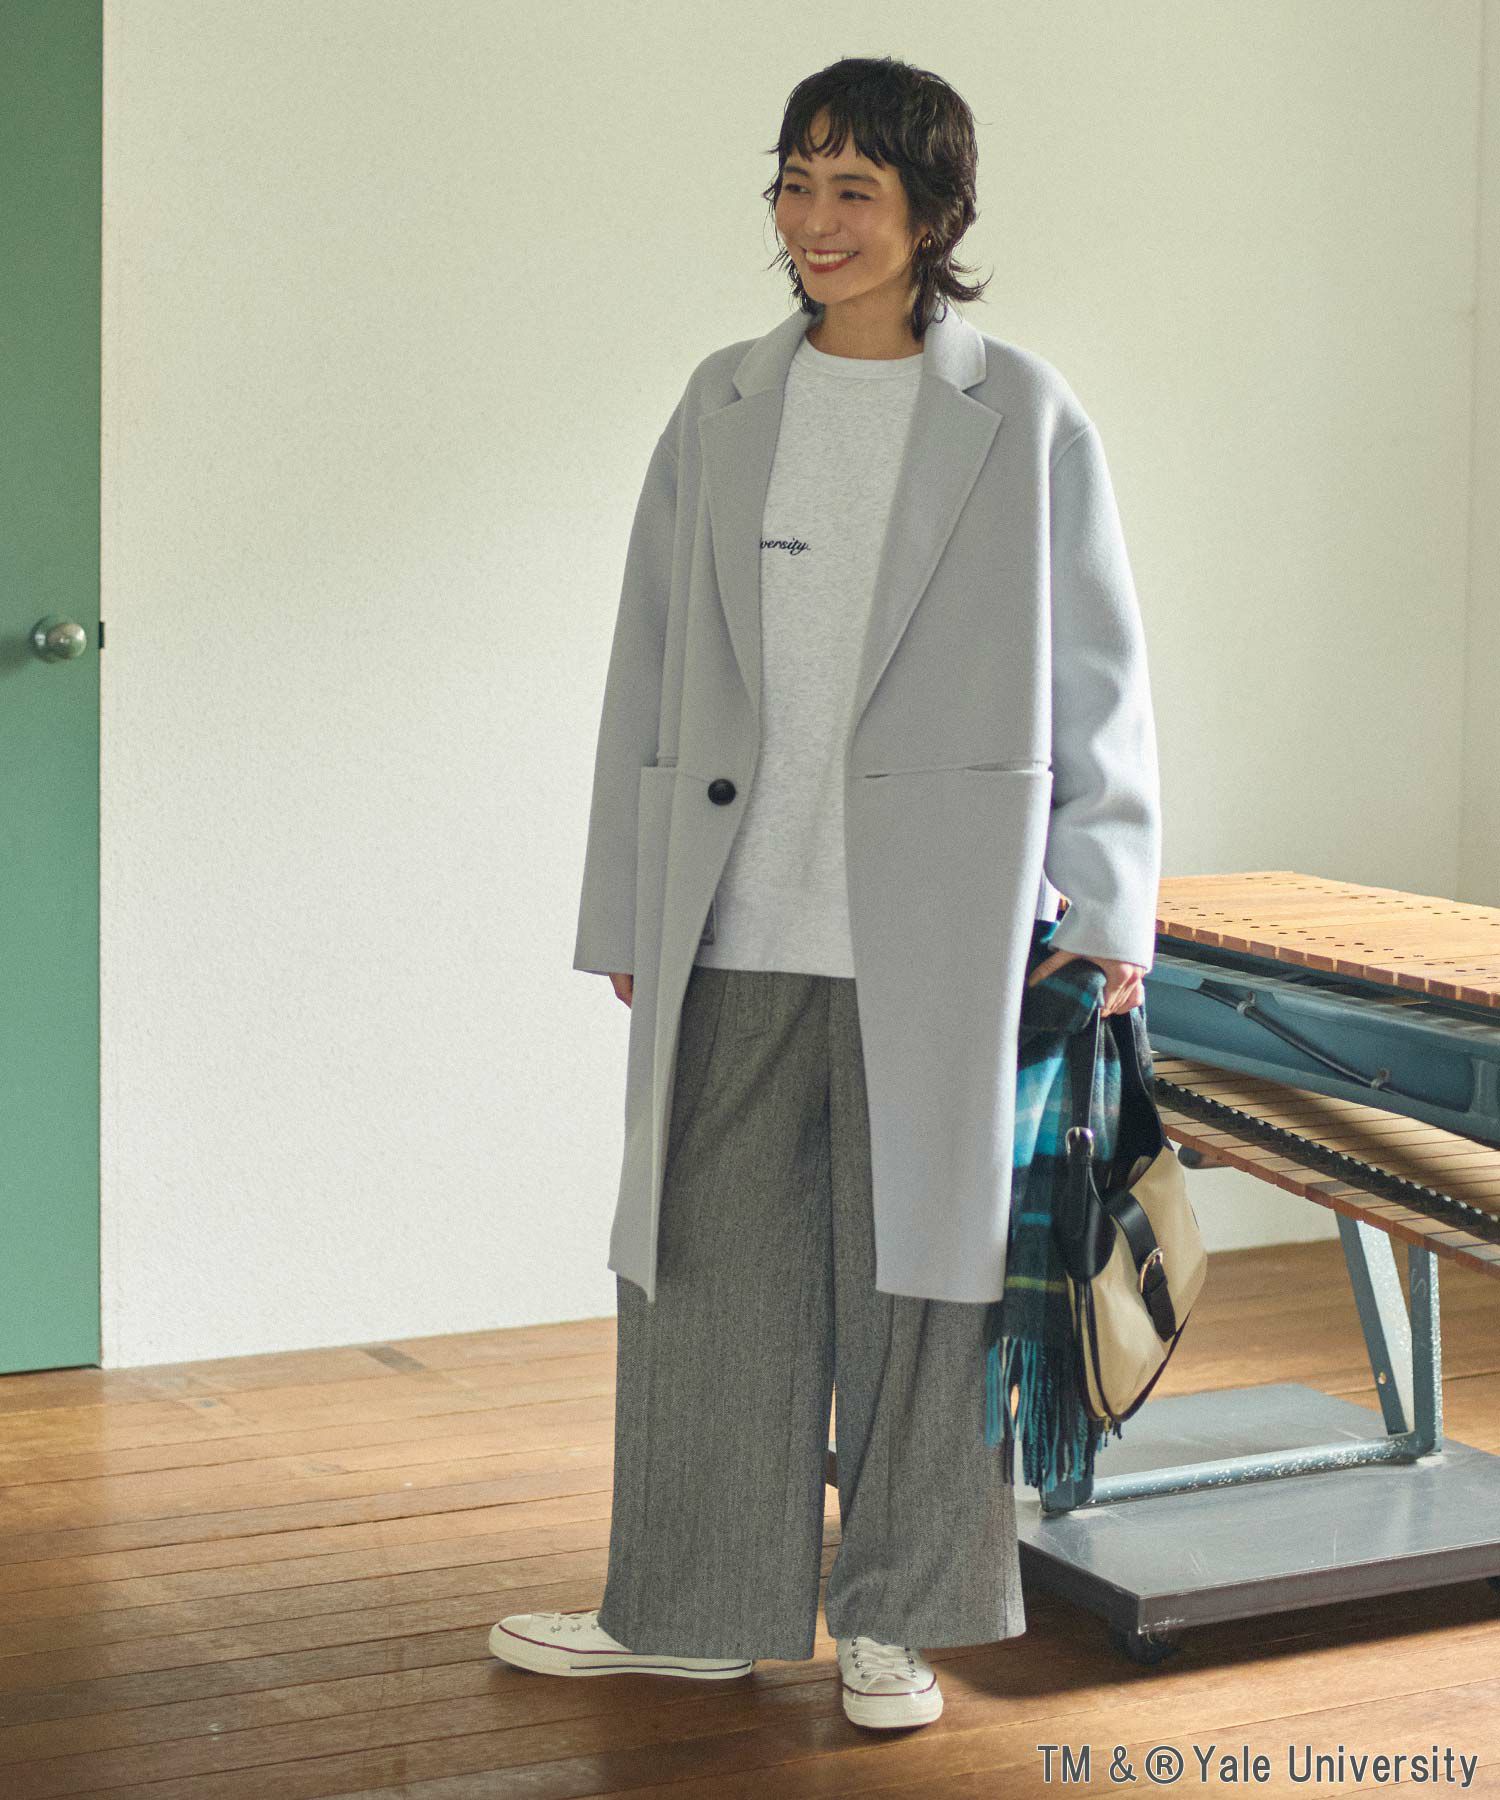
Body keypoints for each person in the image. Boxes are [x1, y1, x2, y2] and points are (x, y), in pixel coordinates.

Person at [492, 55, 1157, 1732]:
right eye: (795, 182)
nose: (815, 220)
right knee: (704, 1274)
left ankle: (899, 1622)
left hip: (947, 931)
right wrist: (624, 907)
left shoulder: (1023, 413)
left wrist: (1108, 904)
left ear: (936, 214)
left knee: (924, 1290)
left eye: (855, 188)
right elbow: (648, 662)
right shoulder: (723, 401)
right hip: (731, 910)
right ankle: (691, 1605)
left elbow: (1100, 674)